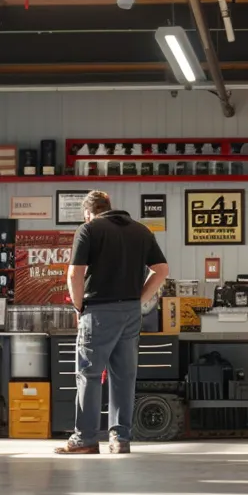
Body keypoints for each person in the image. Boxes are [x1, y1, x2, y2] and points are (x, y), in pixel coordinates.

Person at [57, 191, 169, 455]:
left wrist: (78, 305)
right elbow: (162, 270)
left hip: (97, 311)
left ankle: (85, 439)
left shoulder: (88, 229)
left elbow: (75, 272)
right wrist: (138, 299)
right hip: (130, 312)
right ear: (110, 206)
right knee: (124, 377)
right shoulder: (141, 231)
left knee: (90, 375)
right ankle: (120, 440)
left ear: (88, 212)